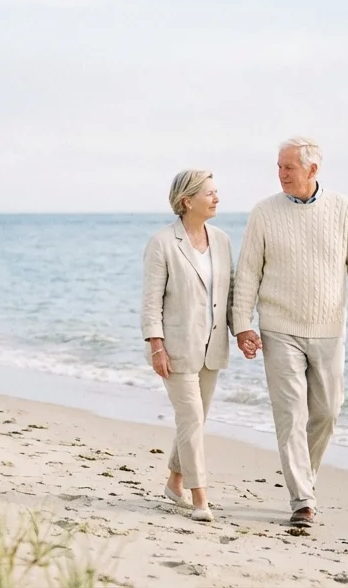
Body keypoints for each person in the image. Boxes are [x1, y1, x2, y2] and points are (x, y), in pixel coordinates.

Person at [232, 137, 348, 526]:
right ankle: (302, 501)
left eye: (289, 168)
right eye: (279, 167)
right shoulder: (263, 213)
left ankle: (305, 481)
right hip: (279, 328)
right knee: (290, 415)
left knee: (327, 412)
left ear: (312, 170)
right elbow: (247, 270)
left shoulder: (343, 208)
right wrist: (242, 324)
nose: (281, 174)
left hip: (330, 329)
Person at [140, 169, 244, 523]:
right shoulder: (163, 243)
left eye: (217, 192)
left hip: (212, 348)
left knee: (195, 422)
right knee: (192, 418)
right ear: (187, 201)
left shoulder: (223, 241)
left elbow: (229, 296)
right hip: (176, 348)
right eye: (210, 193)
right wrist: (156, 346)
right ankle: (200, 498)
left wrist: (242, 331)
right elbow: (151, 301)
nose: (217, 198)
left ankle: (174, 482)